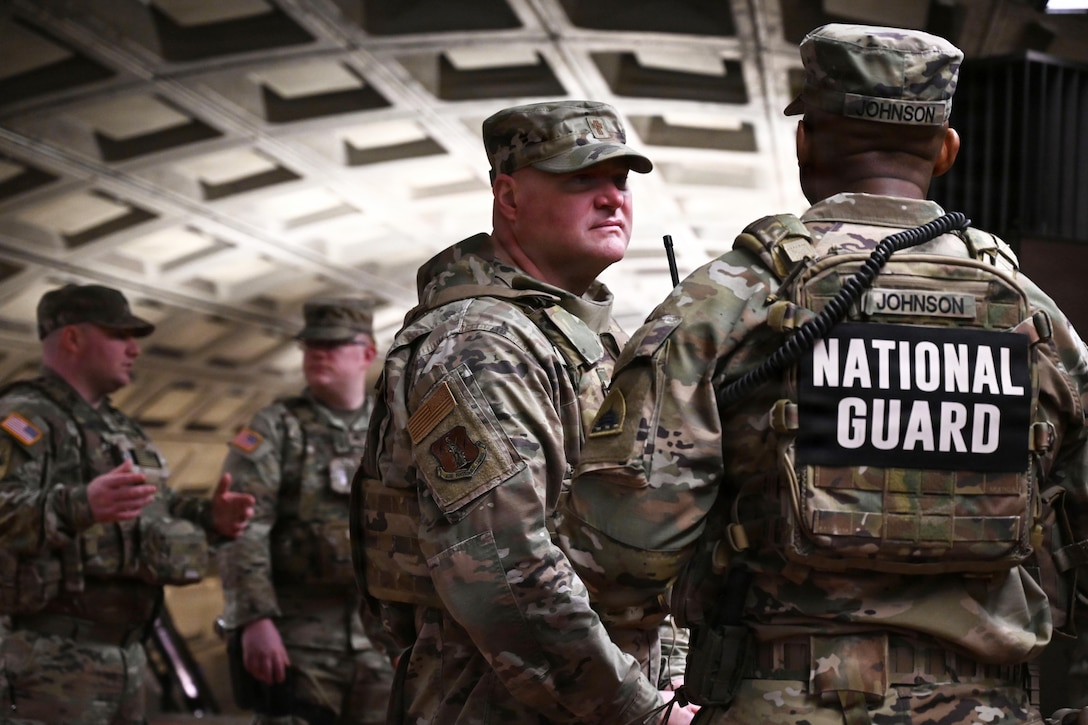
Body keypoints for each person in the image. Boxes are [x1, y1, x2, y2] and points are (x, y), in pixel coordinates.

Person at [562, 24, 1088, 725]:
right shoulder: (1040, 321)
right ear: (946, 149)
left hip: (777, 702)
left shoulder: (727, 300)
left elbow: (618, 553)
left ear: (805, 142)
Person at [350, 100, 697, 724]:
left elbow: (637, 533)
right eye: (580, 179)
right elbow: (502, 567)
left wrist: (668, 673)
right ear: (508, 197)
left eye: (620, 180)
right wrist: (637, 710)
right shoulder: (481, 343)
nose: (612, 199)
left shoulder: (581, 336)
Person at [0, 282, 255, 724]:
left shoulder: (121, 428)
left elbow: (158, 507)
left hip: (126, 658)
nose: (134, 349)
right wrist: (82, 505)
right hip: (48, 663)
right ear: (72, 338)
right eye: (119, 335)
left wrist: (211, 517)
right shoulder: (23, 417)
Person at [216, 297, 395, 725]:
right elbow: (244, 526)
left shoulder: (390, 428)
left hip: (380, 638)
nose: (318, 353)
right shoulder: (277, 427)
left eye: (332, 344)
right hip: (298, 639)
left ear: (367, 353)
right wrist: (254, 619)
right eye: (311, 344)